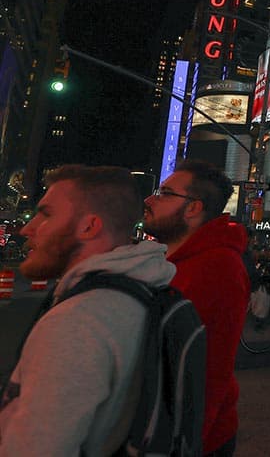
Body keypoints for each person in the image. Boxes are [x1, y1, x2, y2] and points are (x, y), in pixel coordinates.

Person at [0, 166, 175, 455]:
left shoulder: (79, 322)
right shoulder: (139, 291)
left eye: (46, 214)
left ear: (89, 227)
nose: (26, 229)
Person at [142, 159, 250, 457]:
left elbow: (208, 370)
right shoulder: (174, 262)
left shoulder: (217, 268)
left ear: (193, 208)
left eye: (164, 193)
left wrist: (185, 442)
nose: (150, 200)